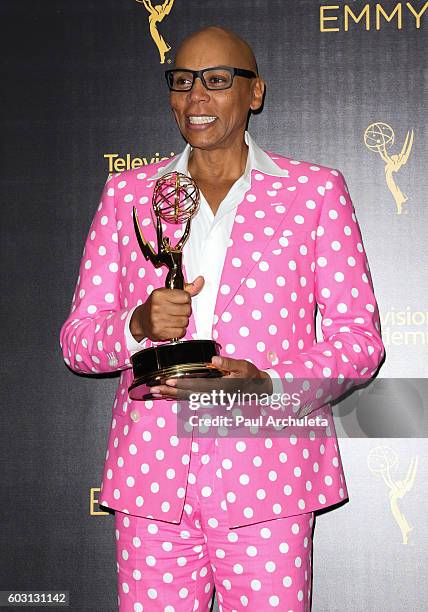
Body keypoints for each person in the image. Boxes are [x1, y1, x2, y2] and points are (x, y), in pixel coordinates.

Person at [60, 25, 385, 612]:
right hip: (151, 486)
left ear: (254, 92)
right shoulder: (128, 194)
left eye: (216, 80)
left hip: (269, 480)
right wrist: (135, 326)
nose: (196, 98)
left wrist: (268, 384)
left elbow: (358, 340)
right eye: (182, 82)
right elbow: (78, 341)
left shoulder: (313, 194)